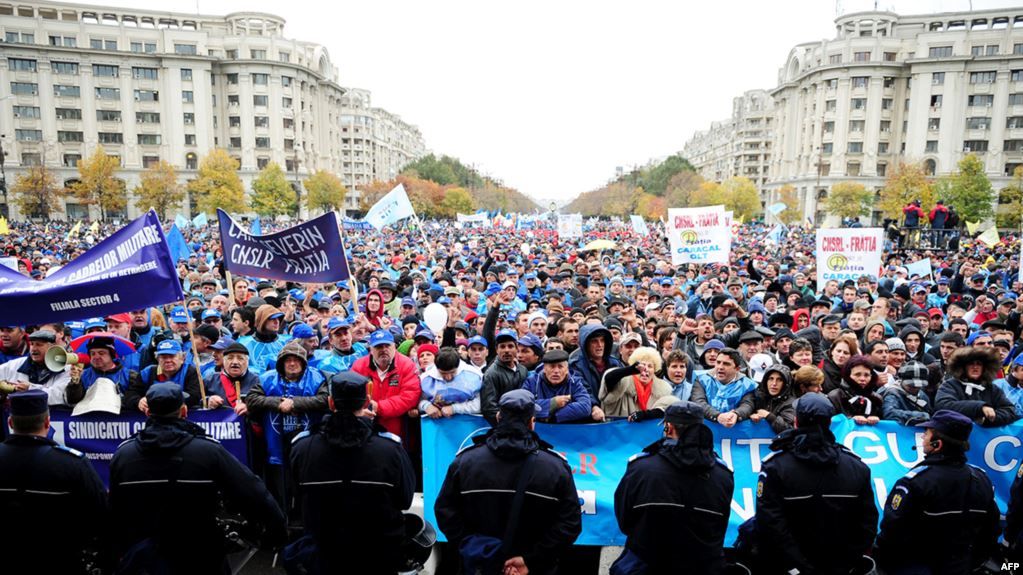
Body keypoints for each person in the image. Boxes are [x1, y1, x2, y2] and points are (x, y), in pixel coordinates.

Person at [109, 383, 287, 574]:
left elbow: (113, 509)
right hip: (199, 555)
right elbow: (253, 492)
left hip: (145, 558)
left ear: (147, 412)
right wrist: (276, 532)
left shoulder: (123, 455)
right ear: (184, 411)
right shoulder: (208, 451)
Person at [434, 389, 582, 575]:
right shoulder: (556, 468)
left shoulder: (465, 462)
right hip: (533, 568)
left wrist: (474, 549)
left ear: (498, 417)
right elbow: (570, 523)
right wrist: (533, 559)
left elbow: (445, 511)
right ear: (532, 422)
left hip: (480, 566)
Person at [289, 372, 416, 575]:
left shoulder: (302, 447)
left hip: (325, 552)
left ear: (331, 403)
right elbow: (405, 499)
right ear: (366, 402)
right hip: (377, 553)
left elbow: (297, 495)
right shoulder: (390, 448)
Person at [751, 393, 878, 574]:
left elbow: (769, 521)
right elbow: (868, 522)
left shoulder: (775, 465)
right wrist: (848, 561)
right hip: (837, 564)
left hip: (794, 566)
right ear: (829, 422)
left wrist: (797, 565)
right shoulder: (856, 466)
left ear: (796, 421)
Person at [612, 401, 734, 575]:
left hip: (648, 564)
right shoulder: (723, 475)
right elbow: (720, 525)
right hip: (702, 566)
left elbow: (625, 519)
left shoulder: (641, 467)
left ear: (668, 428)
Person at [875, 410, 1001, 573]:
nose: (922, 437)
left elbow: (892, 532)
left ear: (937, 444)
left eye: (927, 433)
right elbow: (992, 529)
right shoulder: (981, 478)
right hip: (963, 566)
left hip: (917, 567)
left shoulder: (916, 482)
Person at [0, 390, 109, 573]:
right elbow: (100, 515)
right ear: (47, 423)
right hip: (60, 560)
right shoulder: (72, 463)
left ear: (10, 423)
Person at [351, 330, 422, 439]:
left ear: (394, 347)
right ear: (371, 349)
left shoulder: (407, 365)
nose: (384, 350)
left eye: (387, 345)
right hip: (364, 428)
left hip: (398, 430)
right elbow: (351, 394)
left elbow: (409, 397)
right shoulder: (358, 366)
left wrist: (378, 407)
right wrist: (360, 410)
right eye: (379, 346)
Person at [935, 346, 1019, 426]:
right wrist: (979, 407)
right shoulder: (950, 385)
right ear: (962, 367)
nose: (975, 367)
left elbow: (1010, 411)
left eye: (979, 364)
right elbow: (943, 405)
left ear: (985, 367)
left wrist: (987, 419)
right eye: (971, 363)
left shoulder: (992, 388)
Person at [598, 346, 674, 420]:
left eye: (650, 366)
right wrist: (629, 370)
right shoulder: (624, 383)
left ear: (654, 370)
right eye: (642, 365)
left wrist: (647, 414)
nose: (646, 369)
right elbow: (609, 378)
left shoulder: (663, 390)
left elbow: (670, 406)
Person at [127, 339, 204, 412]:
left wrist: (158, 402)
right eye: (163, 357)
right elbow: (130, 394)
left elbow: (194, 397)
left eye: (172, 356)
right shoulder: (147, 373)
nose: (168, 360)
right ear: (157, 359)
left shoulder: (191, 372)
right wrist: (139, 401)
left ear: (182, 358)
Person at [0, 329, 71, 405]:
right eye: (31, 344)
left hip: (51, 412)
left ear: (52, 347)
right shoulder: (15, 364)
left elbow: (59, 396)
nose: (33, 349)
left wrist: (30, 389)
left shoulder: (66, 368)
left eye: (39, 345)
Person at [690, 347, 757, 427]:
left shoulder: (748, 385)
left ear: (737, 369)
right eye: (718, 362)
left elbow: (747, 405)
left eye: (726, 364)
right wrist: (718, 416)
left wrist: (736, 414)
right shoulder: (701, 379)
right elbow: (698, 402)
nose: (720, 367)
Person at [523, 349, 593, 423]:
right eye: (552, 367)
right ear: (544, 369)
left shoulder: (574, 382)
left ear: (567, 370)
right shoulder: (532, 382)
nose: (556, 371)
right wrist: (553, 403)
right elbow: (524, 407)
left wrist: (553, 416)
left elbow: (585, 407)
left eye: (560, 367)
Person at [480, 329, 529, 426]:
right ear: (497, 349)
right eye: (502, 346)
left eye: (510, 346)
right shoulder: (491, 374)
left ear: (517, 348)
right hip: (504, 426)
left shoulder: (523, 370)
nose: (506, 350)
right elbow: (489, 408)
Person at [205, 341, 259, 415]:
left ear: (247, 362)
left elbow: (263, 404)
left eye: (240, 358)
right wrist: (208, 400)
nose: (235, 362)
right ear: (224, 361)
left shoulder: (256, 381)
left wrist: (250, 407)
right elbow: (196, 402)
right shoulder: (210, 380)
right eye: (230, 358)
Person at [238, 304, 292, 373]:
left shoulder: (287, 341)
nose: (277, 322)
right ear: (261, 321)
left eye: (278, 318)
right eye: (272, 319)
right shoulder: (244, 343)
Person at [881, 361, 933, 425]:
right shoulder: (892, 394)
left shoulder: (922, 395)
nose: (915, 389)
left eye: (918, 386)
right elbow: (889, 413)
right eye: (911, 386)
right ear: (902, 380)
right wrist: (919, 415)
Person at [749, 363, 796, 432]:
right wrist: (751, 417)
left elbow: (788, 429)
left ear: (786, 383)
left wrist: (769, 416)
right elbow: (746, 407)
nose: (774, 383)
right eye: (771, 379)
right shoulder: (758, 396)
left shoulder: (792, 403)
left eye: (779, 380)